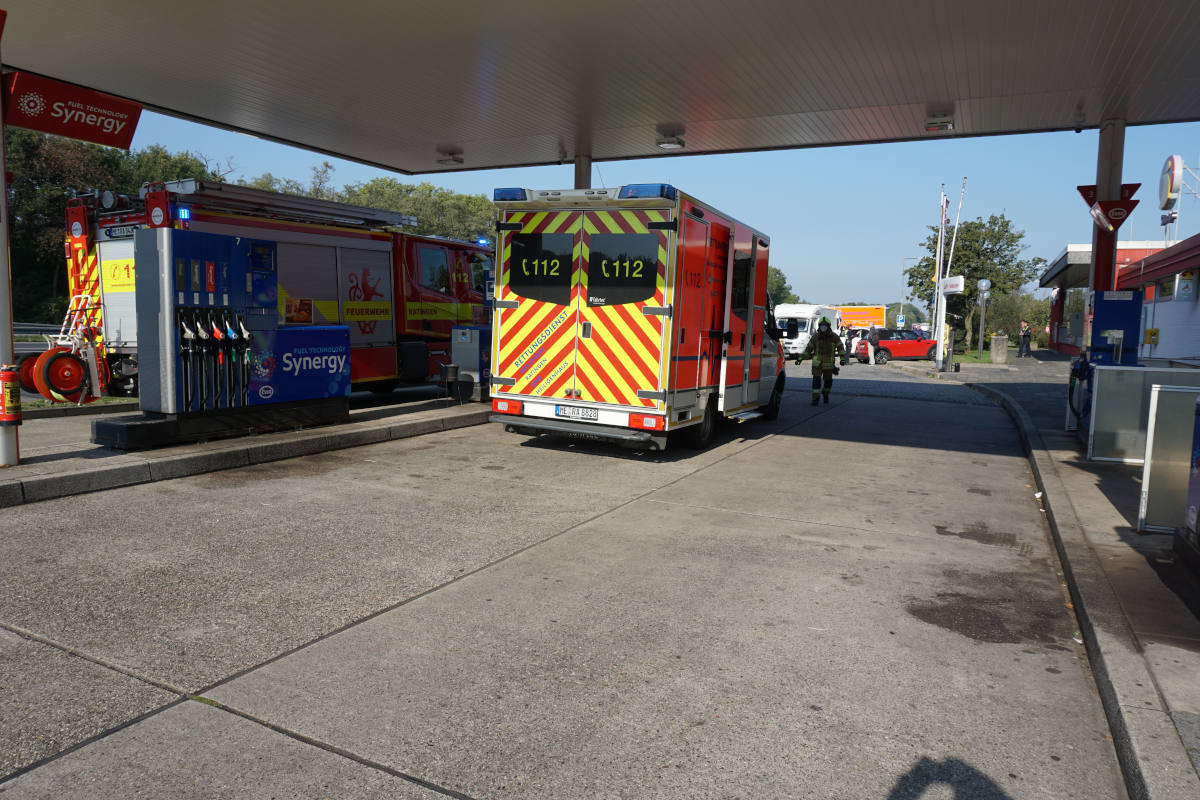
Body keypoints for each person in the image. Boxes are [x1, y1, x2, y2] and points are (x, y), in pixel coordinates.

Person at [797, 316, 847, 405]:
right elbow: (808, 349)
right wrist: (800, 358)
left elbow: (840, 347)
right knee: (816, 382)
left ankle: (825, 394)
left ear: (828, 326)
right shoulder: (815, 337)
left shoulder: (834, 337)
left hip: (829, 364)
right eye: (821, 325)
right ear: (819, 326)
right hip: (817, 364)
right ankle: (815, 399)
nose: (823, 327)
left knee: (828, 382)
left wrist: (842, 358)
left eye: (825, 325)